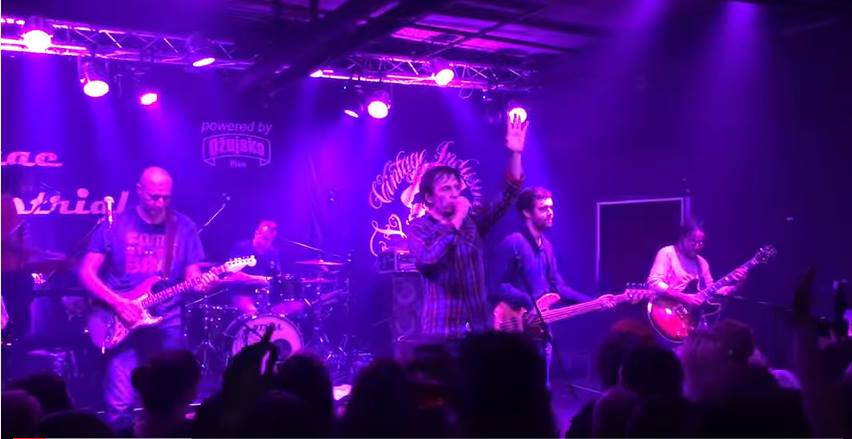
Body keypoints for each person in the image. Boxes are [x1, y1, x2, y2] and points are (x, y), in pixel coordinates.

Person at [78, 166, 216, 425]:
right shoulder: (116, 224)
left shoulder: (183, 226)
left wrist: (204, 284)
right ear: (139, 191)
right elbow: (86, 272)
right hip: (121, 320)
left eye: (165, 197)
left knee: (171, 398)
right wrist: (119, 303)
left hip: (167, 321)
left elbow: (193, 277)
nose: (160, 203)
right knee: (120, 402)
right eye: (154, 197)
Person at [407, 114, 527, 339]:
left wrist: (515, 153)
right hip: (442, 331)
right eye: (446, 189)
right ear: (429, 197)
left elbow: (507, 196)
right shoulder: (419, 228)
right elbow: (428, 259)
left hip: (478, 329)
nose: (454, 194)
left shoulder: (472, 222)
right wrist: (456, 220)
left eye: (456, 188)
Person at [646, 218, 746, 308]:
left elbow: (711, 291)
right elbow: (654, 283)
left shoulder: (702, 263)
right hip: (666, 308)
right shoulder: (667, 253)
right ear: (682, 238)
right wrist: (684, 297)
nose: (697, 246)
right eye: (693, 242)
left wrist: (737, 285)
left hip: (691, 316)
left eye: (701, 243)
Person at [226, 220, 282, 314]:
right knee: (254, 313)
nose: (266, 243)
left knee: (278, 312)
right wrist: (259, 279)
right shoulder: (241, 248)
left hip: (263, 295)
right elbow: (233, 274)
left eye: (269, 240)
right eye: (265, 238)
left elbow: (276, 277)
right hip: (241, 293)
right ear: (256, 234)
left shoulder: (273, 253)